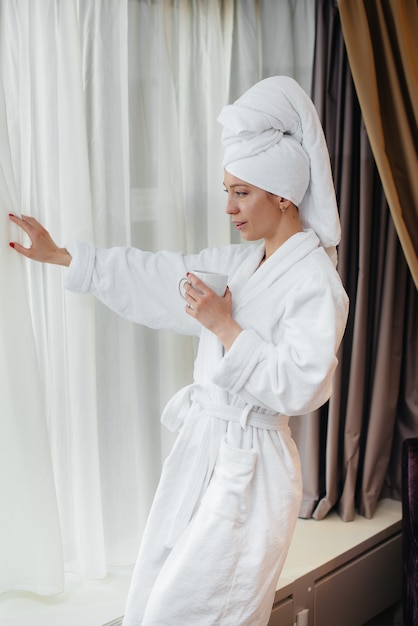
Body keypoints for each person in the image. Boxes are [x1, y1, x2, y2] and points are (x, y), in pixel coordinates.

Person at [9, 76, 349, 626]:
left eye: (242, 192)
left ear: (283, 194)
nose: (230, 207)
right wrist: (66, 258)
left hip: (252, 468)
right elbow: (161, 274)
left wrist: (225, 327)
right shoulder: (241, 264)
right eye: (226, 191)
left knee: (190, 612)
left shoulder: (315, 282)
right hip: (202, 450)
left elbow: (305, 384)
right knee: (156, 601)